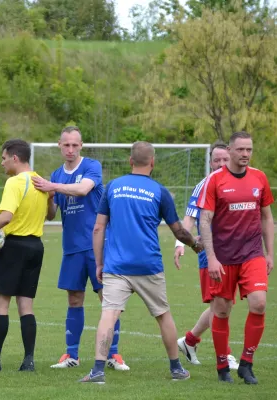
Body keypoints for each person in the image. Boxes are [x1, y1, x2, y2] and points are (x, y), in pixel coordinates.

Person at [79, 141, 203, 384]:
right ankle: (177, 368)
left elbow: (98, 228)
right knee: (163, 315)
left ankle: (98, 371)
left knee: (108, 315)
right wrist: (195, 245)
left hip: (117, 265)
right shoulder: (159, 191)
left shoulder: (113, 187)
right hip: (149, 266)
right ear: (153, 162)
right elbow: (179, 231)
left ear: (130, 161)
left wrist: (99, 263)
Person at [32, 126, 129, 371]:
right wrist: (50, 197)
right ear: (59, 145)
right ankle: (71, 355)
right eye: (66, 145)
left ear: (81, 145)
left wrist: (52, 186)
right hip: (72, 248)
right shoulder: (57, 174)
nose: (71, 149)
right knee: (74, 299)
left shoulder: (91, 166)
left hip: (97, 246)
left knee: (107, 300)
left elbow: (83, 189)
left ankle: (113, 354)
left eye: (75, 145)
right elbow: (53, 214)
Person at [197, 131, 275, 384]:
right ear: (229, 151)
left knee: (259, 304)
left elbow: (266, 216)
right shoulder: (215, 180)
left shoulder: (259, 178)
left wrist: (269, 252)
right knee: (220, 312)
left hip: (252, 254)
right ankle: (222, 367)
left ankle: (247, 364)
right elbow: (205, 219)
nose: (245, 154)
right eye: (240, 150)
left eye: (249, 150)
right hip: (223, 256)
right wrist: (211, 258)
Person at [0, 139, 49, 373]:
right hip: (36, 246)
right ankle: (28, 361)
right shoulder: (41, 181)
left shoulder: (15, 182)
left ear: (15, 158)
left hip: (14, 246)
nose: (2, 162)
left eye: (4, 158)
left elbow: (5, 217)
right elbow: (51, 212)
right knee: (26, 305)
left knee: (0, 304)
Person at [173, 142, 239, 370]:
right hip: (209, 254)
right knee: (220, 304)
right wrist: (179, 243)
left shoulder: (237, 182)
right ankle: (226, 354)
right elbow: (189, 218)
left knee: (223, 304)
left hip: (233, 253)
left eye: (224, 160)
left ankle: (189, 341)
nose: (221, 164)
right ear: (210, 163)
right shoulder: (205, 185)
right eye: (216, 160)